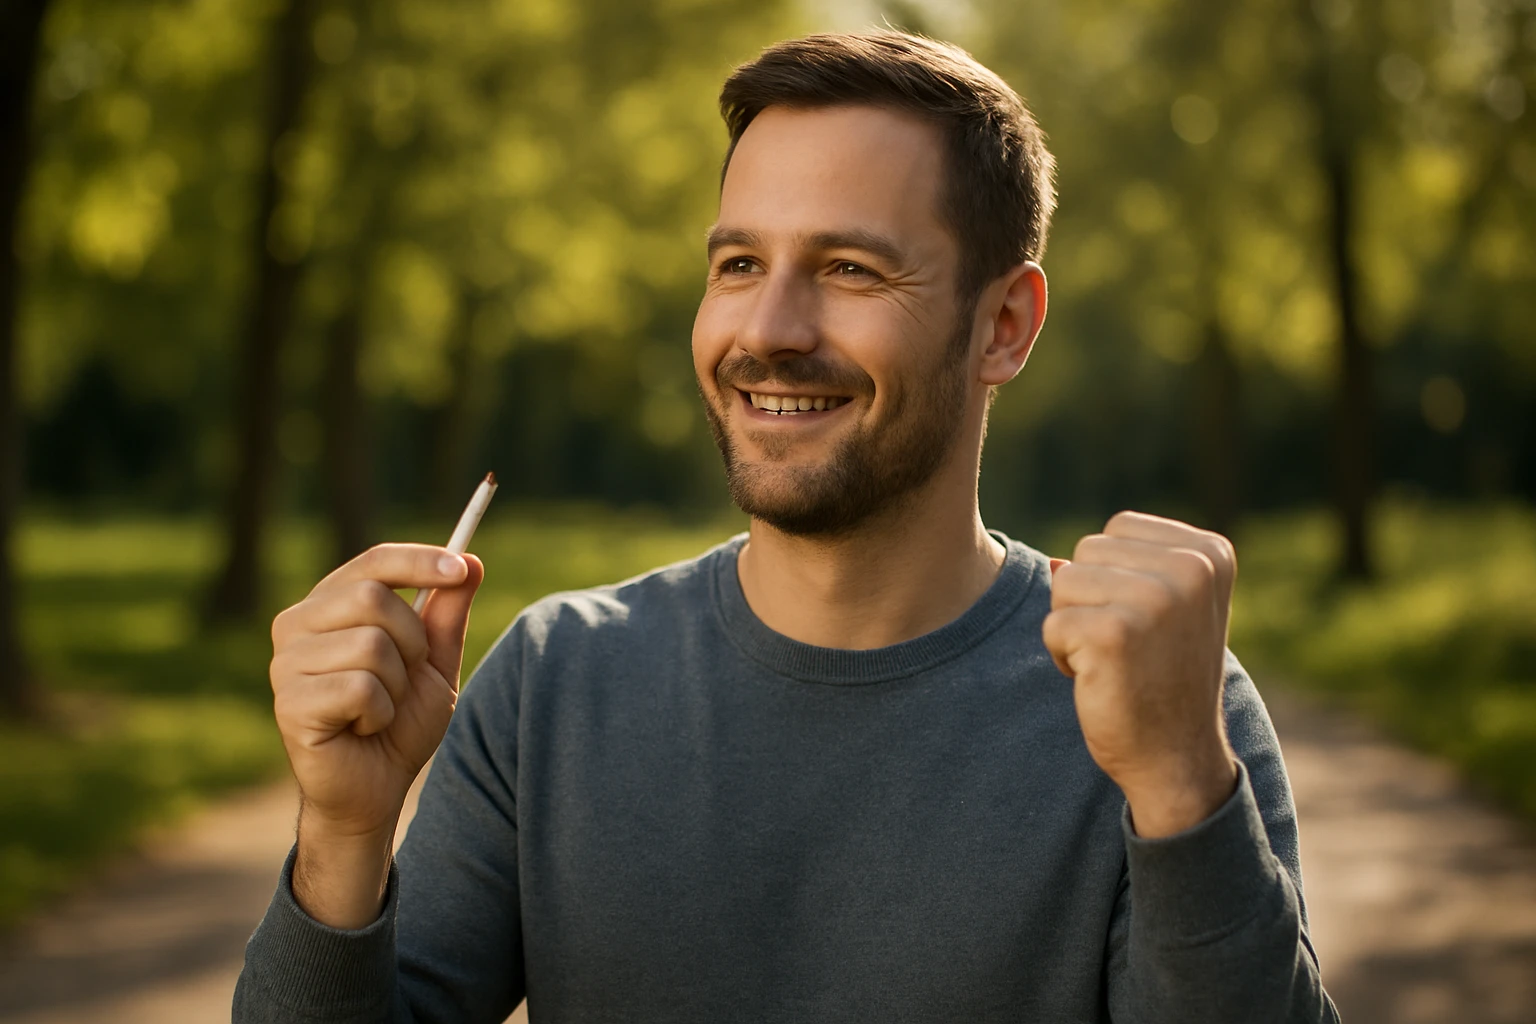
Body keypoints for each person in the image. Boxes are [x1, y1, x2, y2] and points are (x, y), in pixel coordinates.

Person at [235, 31, 1339, 1023]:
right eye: (739, 265)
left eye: (850, 269)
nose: (768, 328)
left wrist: (1184, 786)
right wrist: (342, 834)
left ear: (1002, 325)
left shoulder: (1164, 705)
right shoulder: (553, 685)